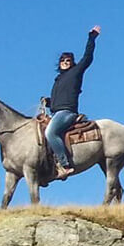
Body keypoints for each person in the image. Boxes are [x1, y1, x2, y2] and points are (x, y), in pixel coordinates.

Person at [46, 26, 100, 177]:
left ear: (72, 62)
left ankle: (65, 165)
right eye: (62, 60)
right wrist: (49, 102)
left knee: (50, 132)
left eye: (68, 60)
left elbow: (87, 58)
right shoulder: (58, 80)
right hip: (56, 112)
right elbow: (59, 99)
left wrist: (92, 38)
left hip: (67, 113)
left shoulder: (75, 72)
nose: (65, 62)